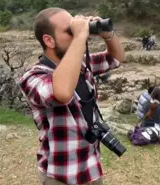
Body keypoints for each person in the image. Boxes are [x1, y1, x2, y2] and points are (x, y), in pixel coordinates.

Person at [18, 8, 125, 185]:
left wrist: (107, 34)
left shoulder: (82, 65)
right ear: (49, 40)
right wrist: (80, 37)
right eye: (70, 30)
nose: (77, 31)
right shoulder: (32, 77)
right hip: (61, 174)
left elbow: (117, 58)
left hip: (91, 167)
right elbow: (62, 93)